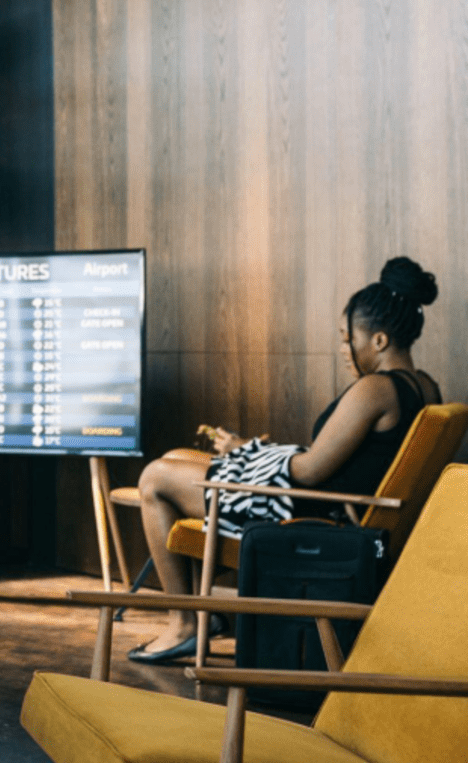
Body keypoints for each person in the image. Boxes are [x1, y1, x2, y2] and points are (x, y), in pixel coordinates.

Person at [131, 256, 442, 663]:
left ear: (379, 341)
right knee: (175, 458)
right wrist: (247, 448)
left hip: (317, 515)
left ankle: (185, 625)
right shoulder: (426, 387)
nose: (344, 349)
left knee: (156, 478)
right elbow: (335, 460)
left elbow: (311, 469)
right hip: (334, 504)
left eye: (348, 338)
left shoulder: (374, 390)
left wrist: (246, 450)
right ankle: (205, 617)